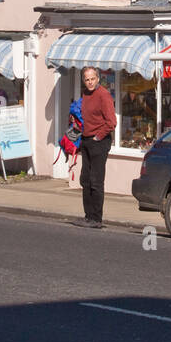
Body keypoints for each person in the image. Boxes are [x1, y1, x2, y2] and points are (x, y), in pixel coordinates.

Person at [76, 66, 116, 228]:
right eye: (87, 79)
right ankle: (88, 216)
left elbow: (111, 122)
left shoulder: (104, 95)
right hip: (85, 140)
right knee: (85, 179)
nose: (90, 82)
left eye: (92, 78)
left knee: (96, 181)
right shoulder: (85, 94)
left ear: (98, 79)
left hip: (99, 141)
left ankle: (96, 219)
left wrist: (97, 136)